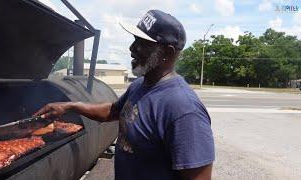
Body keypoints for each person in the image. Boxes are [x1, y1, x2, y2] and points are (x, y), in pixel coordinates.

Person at [34, 10, 215, 180]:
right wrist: (70, 106)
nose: (132, 48)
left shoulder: (184, 109)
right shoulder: (139, 85)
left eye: (142, 44)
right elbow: (113, 111)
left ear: (167, 53)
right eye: (135, 40)